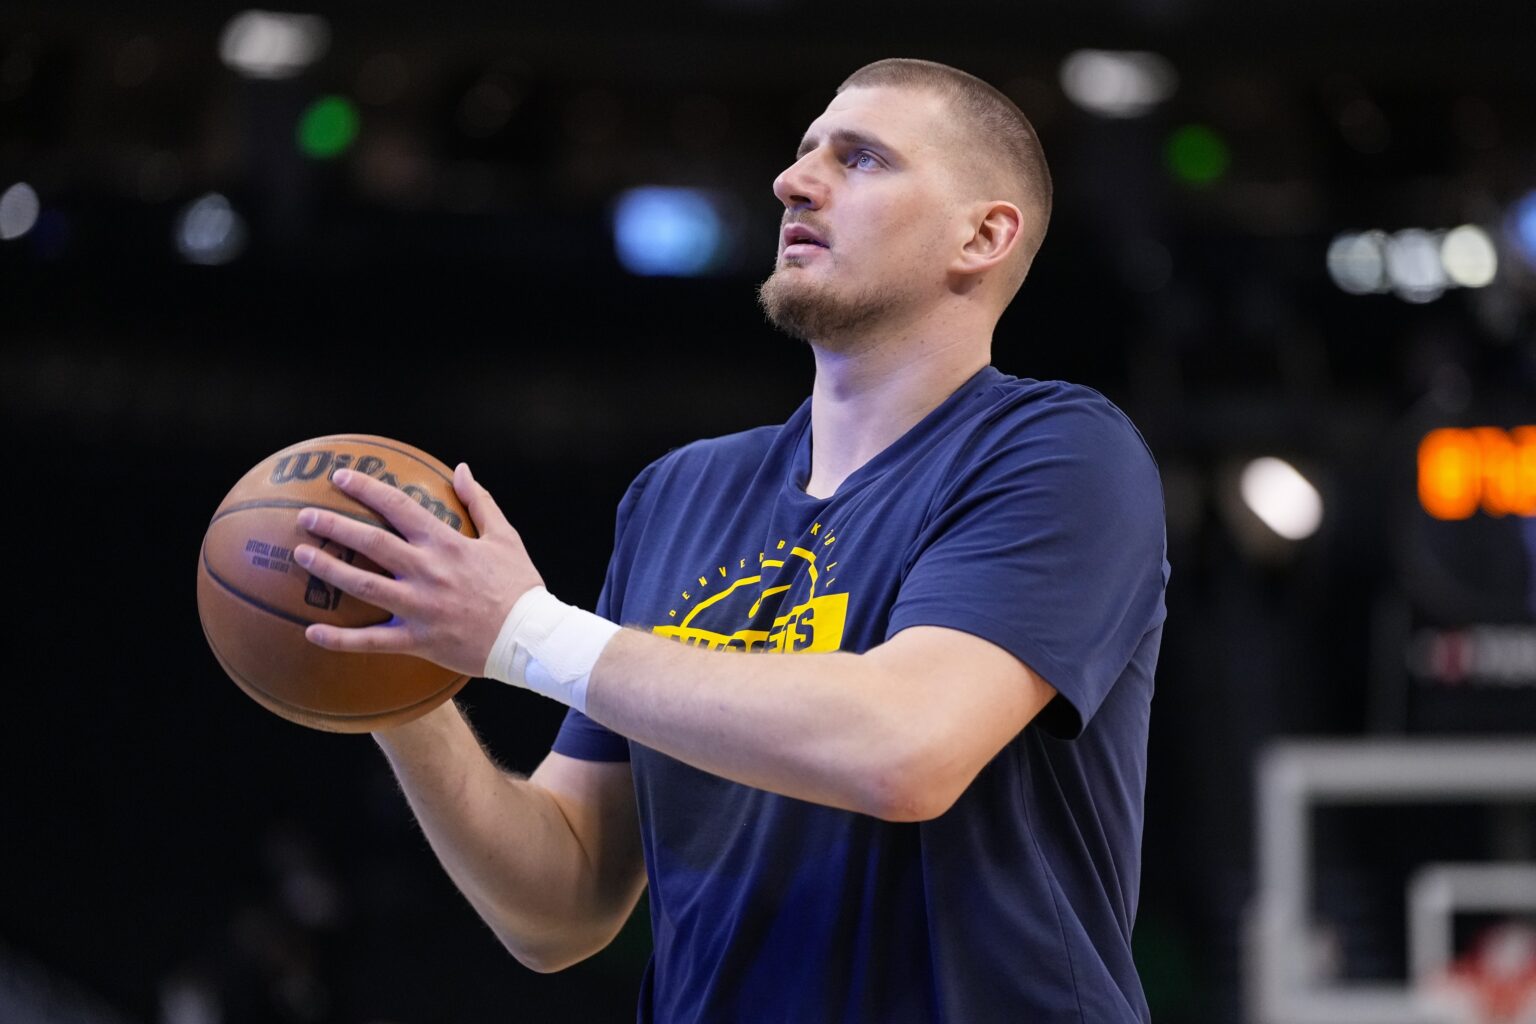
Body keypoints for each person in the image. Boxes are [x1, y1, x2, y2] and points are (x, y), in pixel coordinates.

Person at [292, 57, 1169, 1023]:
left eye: (862, 159)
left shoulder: (1058, 452)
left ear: (984, 235)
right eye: (803, 154)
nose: (794, 181)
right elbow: (560, 907)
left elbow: (906, 747)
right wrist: (395, 669)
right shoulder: (681, 494)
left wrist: (524, 633)